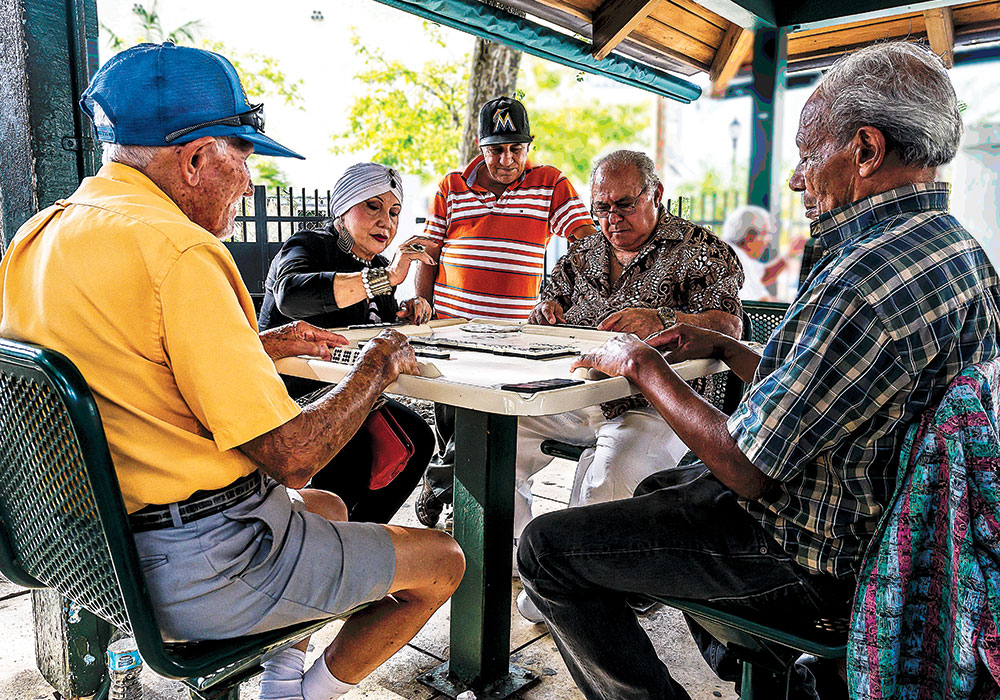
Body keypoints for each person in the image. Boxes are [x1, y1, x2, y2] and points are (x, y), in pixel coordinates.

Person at [517, 41, 1000, 700]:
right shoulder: (958, 253)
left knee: (547, 551)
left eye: (808, 154)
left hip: (813, 559)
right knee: (664, 484)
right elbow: (836, 385)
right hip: (891, 534)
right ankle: (762, 672)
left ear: (864, 149)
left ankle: (734, 665)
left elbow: (747, 464)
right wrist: (726, 351)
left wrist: (642, 363)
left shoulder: (862, 275)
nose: (799, 178)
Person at [0, 43, 464, 700]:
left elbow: (124, 356)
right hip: (194, 568)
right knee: (443, 560)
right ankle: (303, 697)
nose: (249, 179)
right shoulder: (180, 250)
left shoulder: (37, 235)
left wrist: (256, 343)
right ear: (194, 159)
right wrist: (376, 369)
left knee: (330, 506)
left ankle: (278, 682)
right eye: (242, 155)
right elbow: (293, 456)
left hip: (81, 554)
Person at [517, 148, 743, 554]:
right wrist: (544, 311)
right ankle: (517, 558)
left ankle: (573, 584)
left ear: (656, 194)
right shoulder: (582, 254)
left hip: (657, 403)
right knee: (496, 439)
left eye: (624, 204)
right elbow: (546, 304)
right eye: (601, 207)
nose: (611, 218)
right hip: (575, 393)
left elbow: (730, 325)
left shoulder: (702, 250)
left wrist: (663, 317)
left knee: (611, 479)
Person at [414, 95, 596, 527]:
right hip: (451, 327)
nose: (507, 159)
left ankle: (447, 486)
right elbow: (428, 252)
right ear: (481, 147)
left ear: (528, 147)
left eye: (516, 148)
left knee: (492, 420)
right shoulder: (451, 186)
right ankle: (451, 485)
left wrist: (563, 295)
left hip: (514, 334)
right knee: (454, 419)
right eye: (497, 149)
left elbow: (587, 242)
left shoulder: (549, 182)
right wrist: (423, 304)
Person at [258, 162, 435, 524]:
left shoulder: (380, 266)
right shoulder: (307, 244)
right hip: (291, 395)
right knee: (351, 452)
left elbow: (373, 327)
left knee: (418, 437)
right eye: (372, 206)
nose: (386, 221)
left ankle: (363, 535)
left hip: (354, 392)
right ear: (342, 207)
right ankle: (330, 548)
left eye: (394, 212)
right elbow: (290, 296)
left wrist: (405, 311)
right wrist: (384, 278)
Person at [720, 205, 806, 301]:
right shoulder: (736, 258)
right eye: (765, 234)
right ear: (750, 236)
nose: (768, 241)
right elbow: (759, 299)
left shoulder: (732, 252)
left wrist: (790, 254)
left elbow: (764, 275)